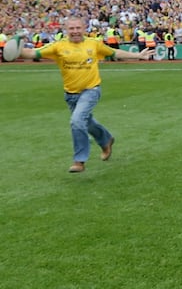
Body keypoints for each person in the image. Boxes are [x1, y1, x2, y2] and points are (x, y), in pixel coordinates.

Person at [11, 17, 153, 173]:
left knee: (77, 120)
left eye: (78, 28)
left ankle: (79, 160)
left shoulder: (93, 44)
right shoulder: (58, 46)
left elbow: (114, 52)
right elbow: (31, 53)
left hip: (91, 90)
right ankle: (106, 140)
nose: (75, 31)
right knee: (86, 122)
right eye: (71, 28)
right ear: (66, 30)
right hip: (71, 94)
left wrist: (139, 55)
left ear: (84, 28)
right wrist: (16, 44)